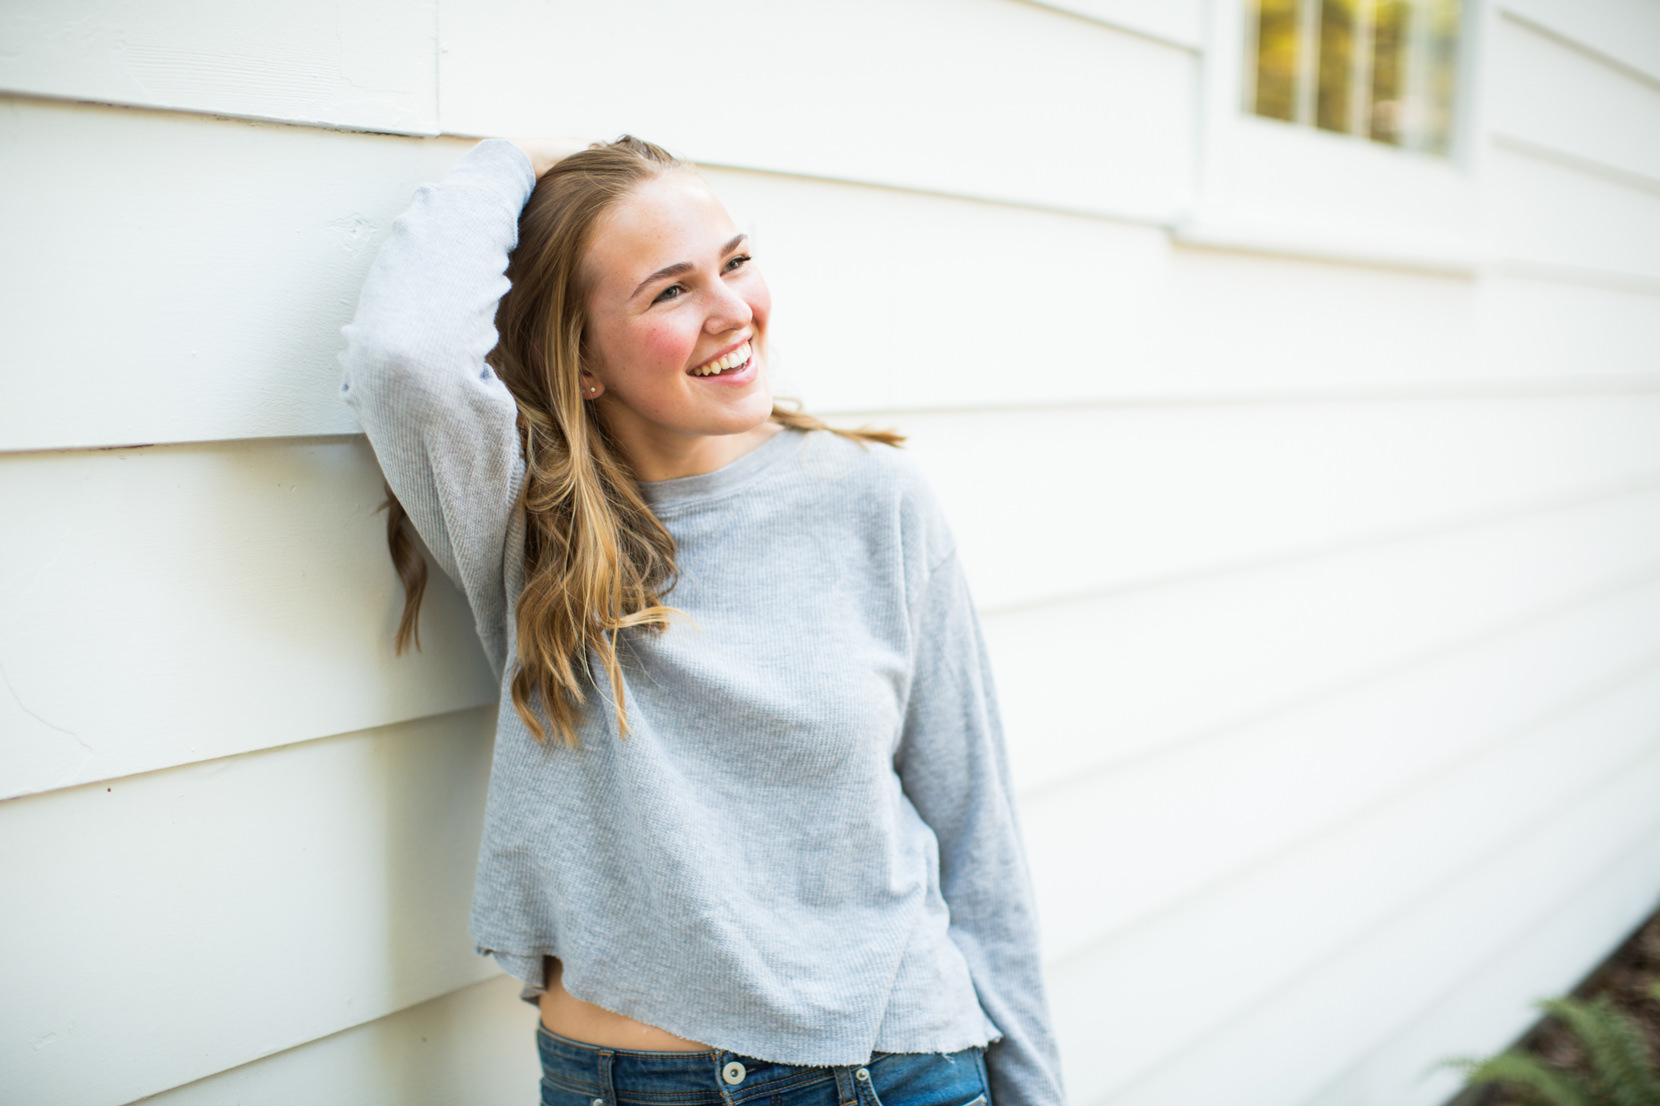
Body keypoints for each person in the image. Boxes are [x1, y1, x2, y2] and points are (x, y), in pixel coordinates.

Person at [339, 135, 1065, 1106]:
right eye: (669, 291)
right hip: (630, 1083)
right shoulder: (531, 523)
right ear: (581, 359)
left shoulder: (876, 501)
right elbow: (405, 353)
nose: (734, 311)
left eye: (734, 261)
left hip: (895, 1066)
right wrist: (511, 160)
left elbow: (975, 832)